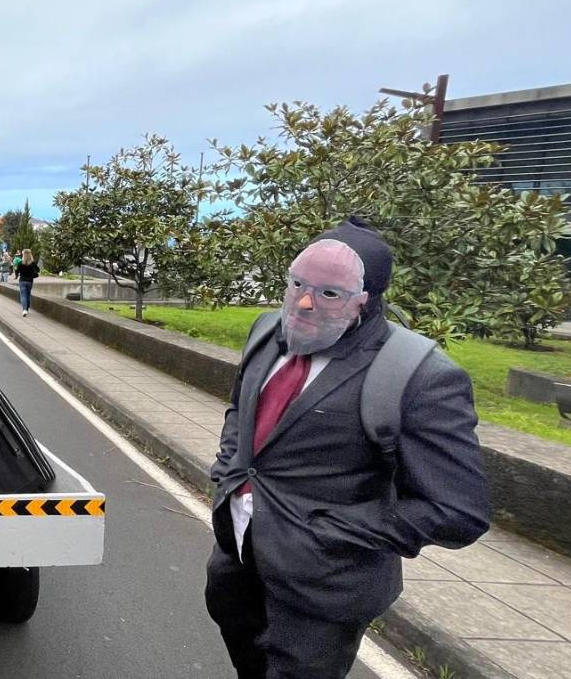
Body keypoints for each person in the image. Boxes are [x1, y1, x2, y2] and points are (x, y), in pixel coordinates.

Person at [205, 218, 489, 678]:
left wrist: (326, 532)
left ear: (365, 302)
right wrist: (226, 471)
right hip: (237, 562)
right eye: (297, 284)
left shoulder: (422, 376)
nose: (302, 302)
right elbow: (242, 407)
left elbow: (458, 511)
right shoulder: (265, 330)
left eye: (328, 294)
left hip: (323, 588)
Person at [15, 249, 39, 316]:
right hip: (30, 281)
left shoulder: (20, 263)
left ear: (23, 255)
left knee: (23, 296)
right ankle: (27, 309)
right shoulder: (32, 263)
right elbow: (38, 270)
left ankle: (24, 310)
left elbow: (16, 271)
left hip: (22, 281)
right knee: (28, 295)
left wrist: (16, 276)